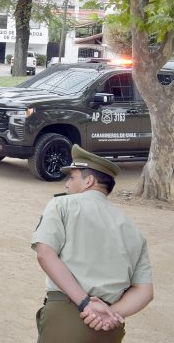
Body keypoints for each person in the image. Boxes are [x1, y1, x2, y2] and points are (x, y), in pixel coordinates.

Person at [31, 145, 153, 343]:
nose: (66, 185)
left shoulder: (62, 205)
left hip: (69, 316)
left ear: (89, 181)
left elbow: (45, 253)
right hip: (108, 327)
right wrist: (109, 314)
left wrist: (86, 304)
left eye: (72, 177)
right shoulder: (133, 230)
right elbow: (145, 291)